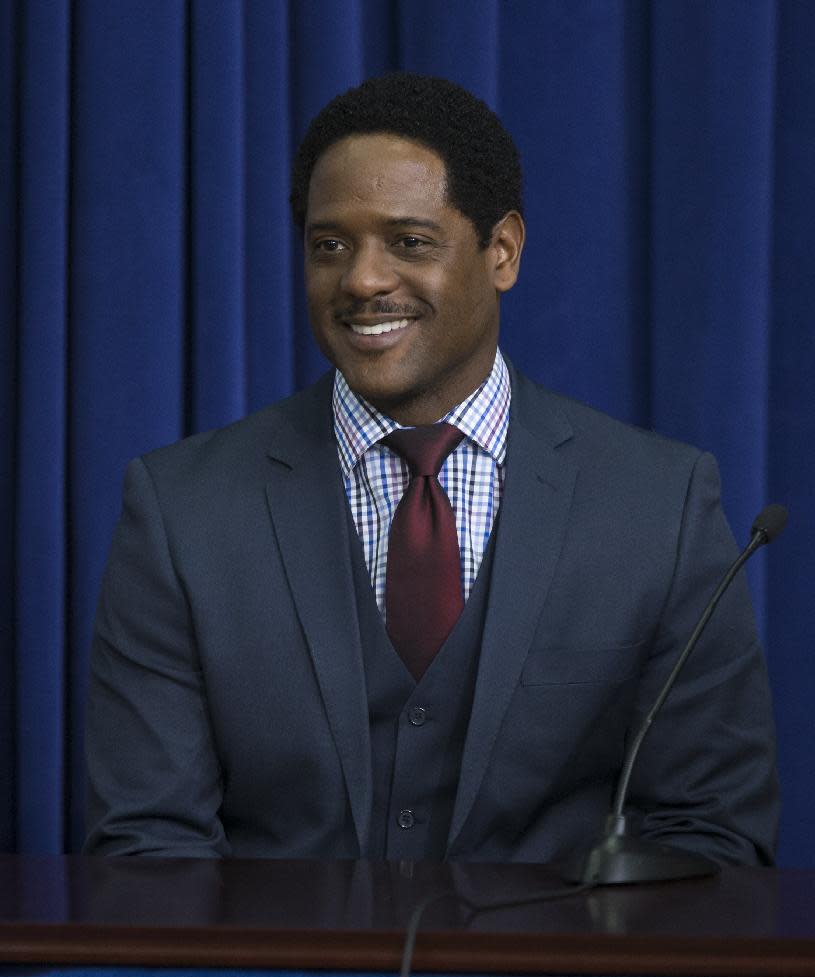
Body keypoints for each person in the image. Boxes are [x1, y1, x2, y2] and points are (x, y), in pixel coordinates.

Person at [84, 73, 778, 864]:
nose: (362, 280)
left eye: (409, 242)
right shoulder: (180, 510)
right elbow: (148, 845)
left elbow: (712, 837)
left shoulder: (660, 504)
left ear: (502, 252)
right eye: (329, 246)